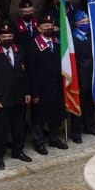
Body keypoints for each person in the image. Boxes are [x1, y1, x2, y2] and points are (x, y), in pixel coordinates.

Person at [0, 22, 30, 168]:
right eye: (4, 36)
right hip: (2, 99)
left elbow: (25, 74)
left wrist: (27, 92)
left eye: (9, 35)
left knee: (19, 127)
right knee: (1, 130)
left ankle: (18, 151)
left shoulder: (20, 50)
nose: (7, 38)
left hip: (19, 96)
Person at [28, 13, 66, 155]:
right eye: (46, 27)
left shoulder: (57, 43)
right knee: (39, 118)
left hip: (56, 86)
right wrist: (34, 92)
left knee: (55, 115)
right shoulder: (33, 45)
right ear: (39, 28)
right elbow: (30, 71)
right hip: (41, 88)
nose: (49, 29)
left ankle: (54, 138)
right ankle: (38, 143)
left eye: (51, 26)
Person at [68, 10, 95, 141]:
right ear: (76, 24)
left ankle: (90, 126)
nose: (86, 24)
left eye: (87, 21)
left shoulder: (91, 35)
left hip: (92, 77)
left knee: (90, 104)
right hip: (79, 79)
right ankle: (76, 131)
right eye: (83, 22)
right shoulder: (73, 39)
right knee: (78, 105)